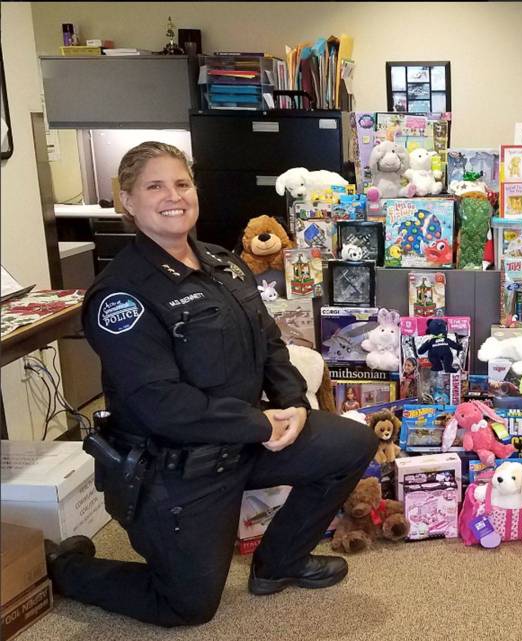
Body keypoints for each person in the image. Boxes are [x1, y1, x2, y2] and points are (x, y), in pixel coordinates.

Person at [45, 142, 378, 627]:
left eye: (182, 183)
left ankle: (278, 564)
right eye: (155, 186)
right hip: (179, 467)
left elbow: (269, 342)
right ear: (128, 201)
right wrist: (260, 425)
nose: (173, 196)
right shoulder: (121, 294)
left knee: (352, 442)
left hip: (245, 441)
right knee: (188, 606)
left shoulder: (224, 263)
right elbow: (162, 404)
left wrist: (293, 403)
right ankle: (66, 568)